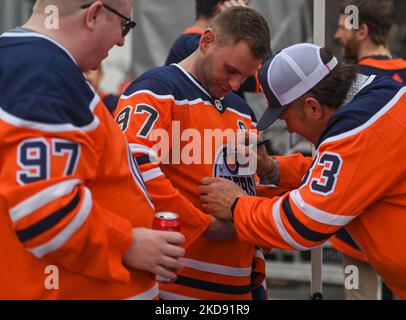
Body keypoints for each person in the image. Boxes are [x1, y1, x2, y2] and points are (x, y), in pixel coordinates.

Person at [0, 0, 184, 299]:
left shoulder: (23, 60)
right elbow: (44, 212)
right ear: (95, 14)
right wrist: (127, 245)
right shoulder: (45, 74)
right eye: (124, 25)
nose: (121, 40)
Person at [198, 43, 406, 299]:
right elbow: (349, 175)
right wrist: (274, 168)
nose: (292, 131)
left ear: (313, 108)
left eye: (286, 119)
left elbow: (302, 223)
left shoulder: (360, 131)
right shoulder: (377, 99)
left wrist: (236, 206)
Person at [115, 7, 271, 299]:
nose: (236, 84)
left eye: (245, 76)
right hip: (177, 284)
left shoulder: (241, 109)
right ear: (207, 40)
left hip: (238, 285)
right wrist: (204, 224)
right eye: (231, 70)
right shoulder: (156, 89)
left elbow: (250, 187)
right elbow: (132, 166)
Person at [333, 0, 405, 299]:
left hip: (355, 225)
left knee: (358, 297)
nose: (337, 35)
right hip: (393, 227)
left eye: (342, 27)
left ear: (362, 30)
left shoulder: (344, 81)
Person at [165, 0, 261, 100]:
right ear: (224, 6)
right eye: (230, 70)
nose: (234, 85)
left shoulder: (188, 42)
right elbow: (269, 78)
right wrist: (251, 28)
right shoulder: (197, 45)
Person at [335, 0, 406, 83]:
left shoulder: (352, 80)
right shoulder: (403, 71)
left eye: (342, 28)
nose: (337, 35)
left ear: (362, 32)